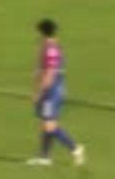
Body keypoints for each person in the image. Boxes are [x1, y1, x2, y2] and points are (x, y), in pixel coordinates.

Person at [27, 20, 85, 167]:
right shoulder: (48, 47)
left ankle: (75, 148)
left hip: (52, 92)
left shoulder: (51, 49)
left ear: (42, 32)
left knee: (49, 126)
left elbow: (50, 74)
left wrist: (39, 93)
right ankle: (45, 157)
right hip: (51, 91)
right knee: (46, 124)